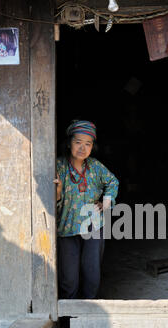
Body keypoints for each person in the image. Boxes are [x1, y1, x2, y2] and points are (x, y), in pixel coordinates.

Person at [54, 120, 119, 299]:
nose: (82, 148)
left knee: (92, 272)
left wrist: (106, 203)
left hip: (93, 226)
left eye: (87, 144)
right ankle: (68, 317)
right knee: (69, 277)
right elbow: (51, 199)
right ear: (69, 143)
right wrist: (58, 191)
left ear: (92, 147)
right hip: (66, 228)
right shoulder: (58, 166)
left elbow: (112, 182)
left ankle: (88, 310)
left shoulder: (96, 166)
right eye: (78, 142)